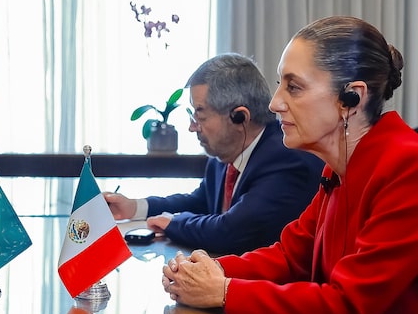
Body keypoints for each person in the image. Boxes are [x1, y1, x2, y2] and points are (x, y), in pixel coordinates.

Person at [162, 16, 418, 314]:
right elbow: (289, 256)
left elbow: (349, 304)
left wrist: (224, 291)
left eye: (293, 87)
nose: (274, 103)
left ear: (351, 98)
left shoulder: (408, 166)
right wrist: (208, 269)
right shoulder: (338, 168)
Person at [105, 53, 324, 255]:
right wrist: (135, 207)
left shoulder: (286, 158)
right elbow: (200, 202)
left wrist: (174, 223)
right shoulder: (223, 157)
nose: (192, 127)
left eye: (200, 115)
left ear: (239, 117)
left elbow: (231, 230)